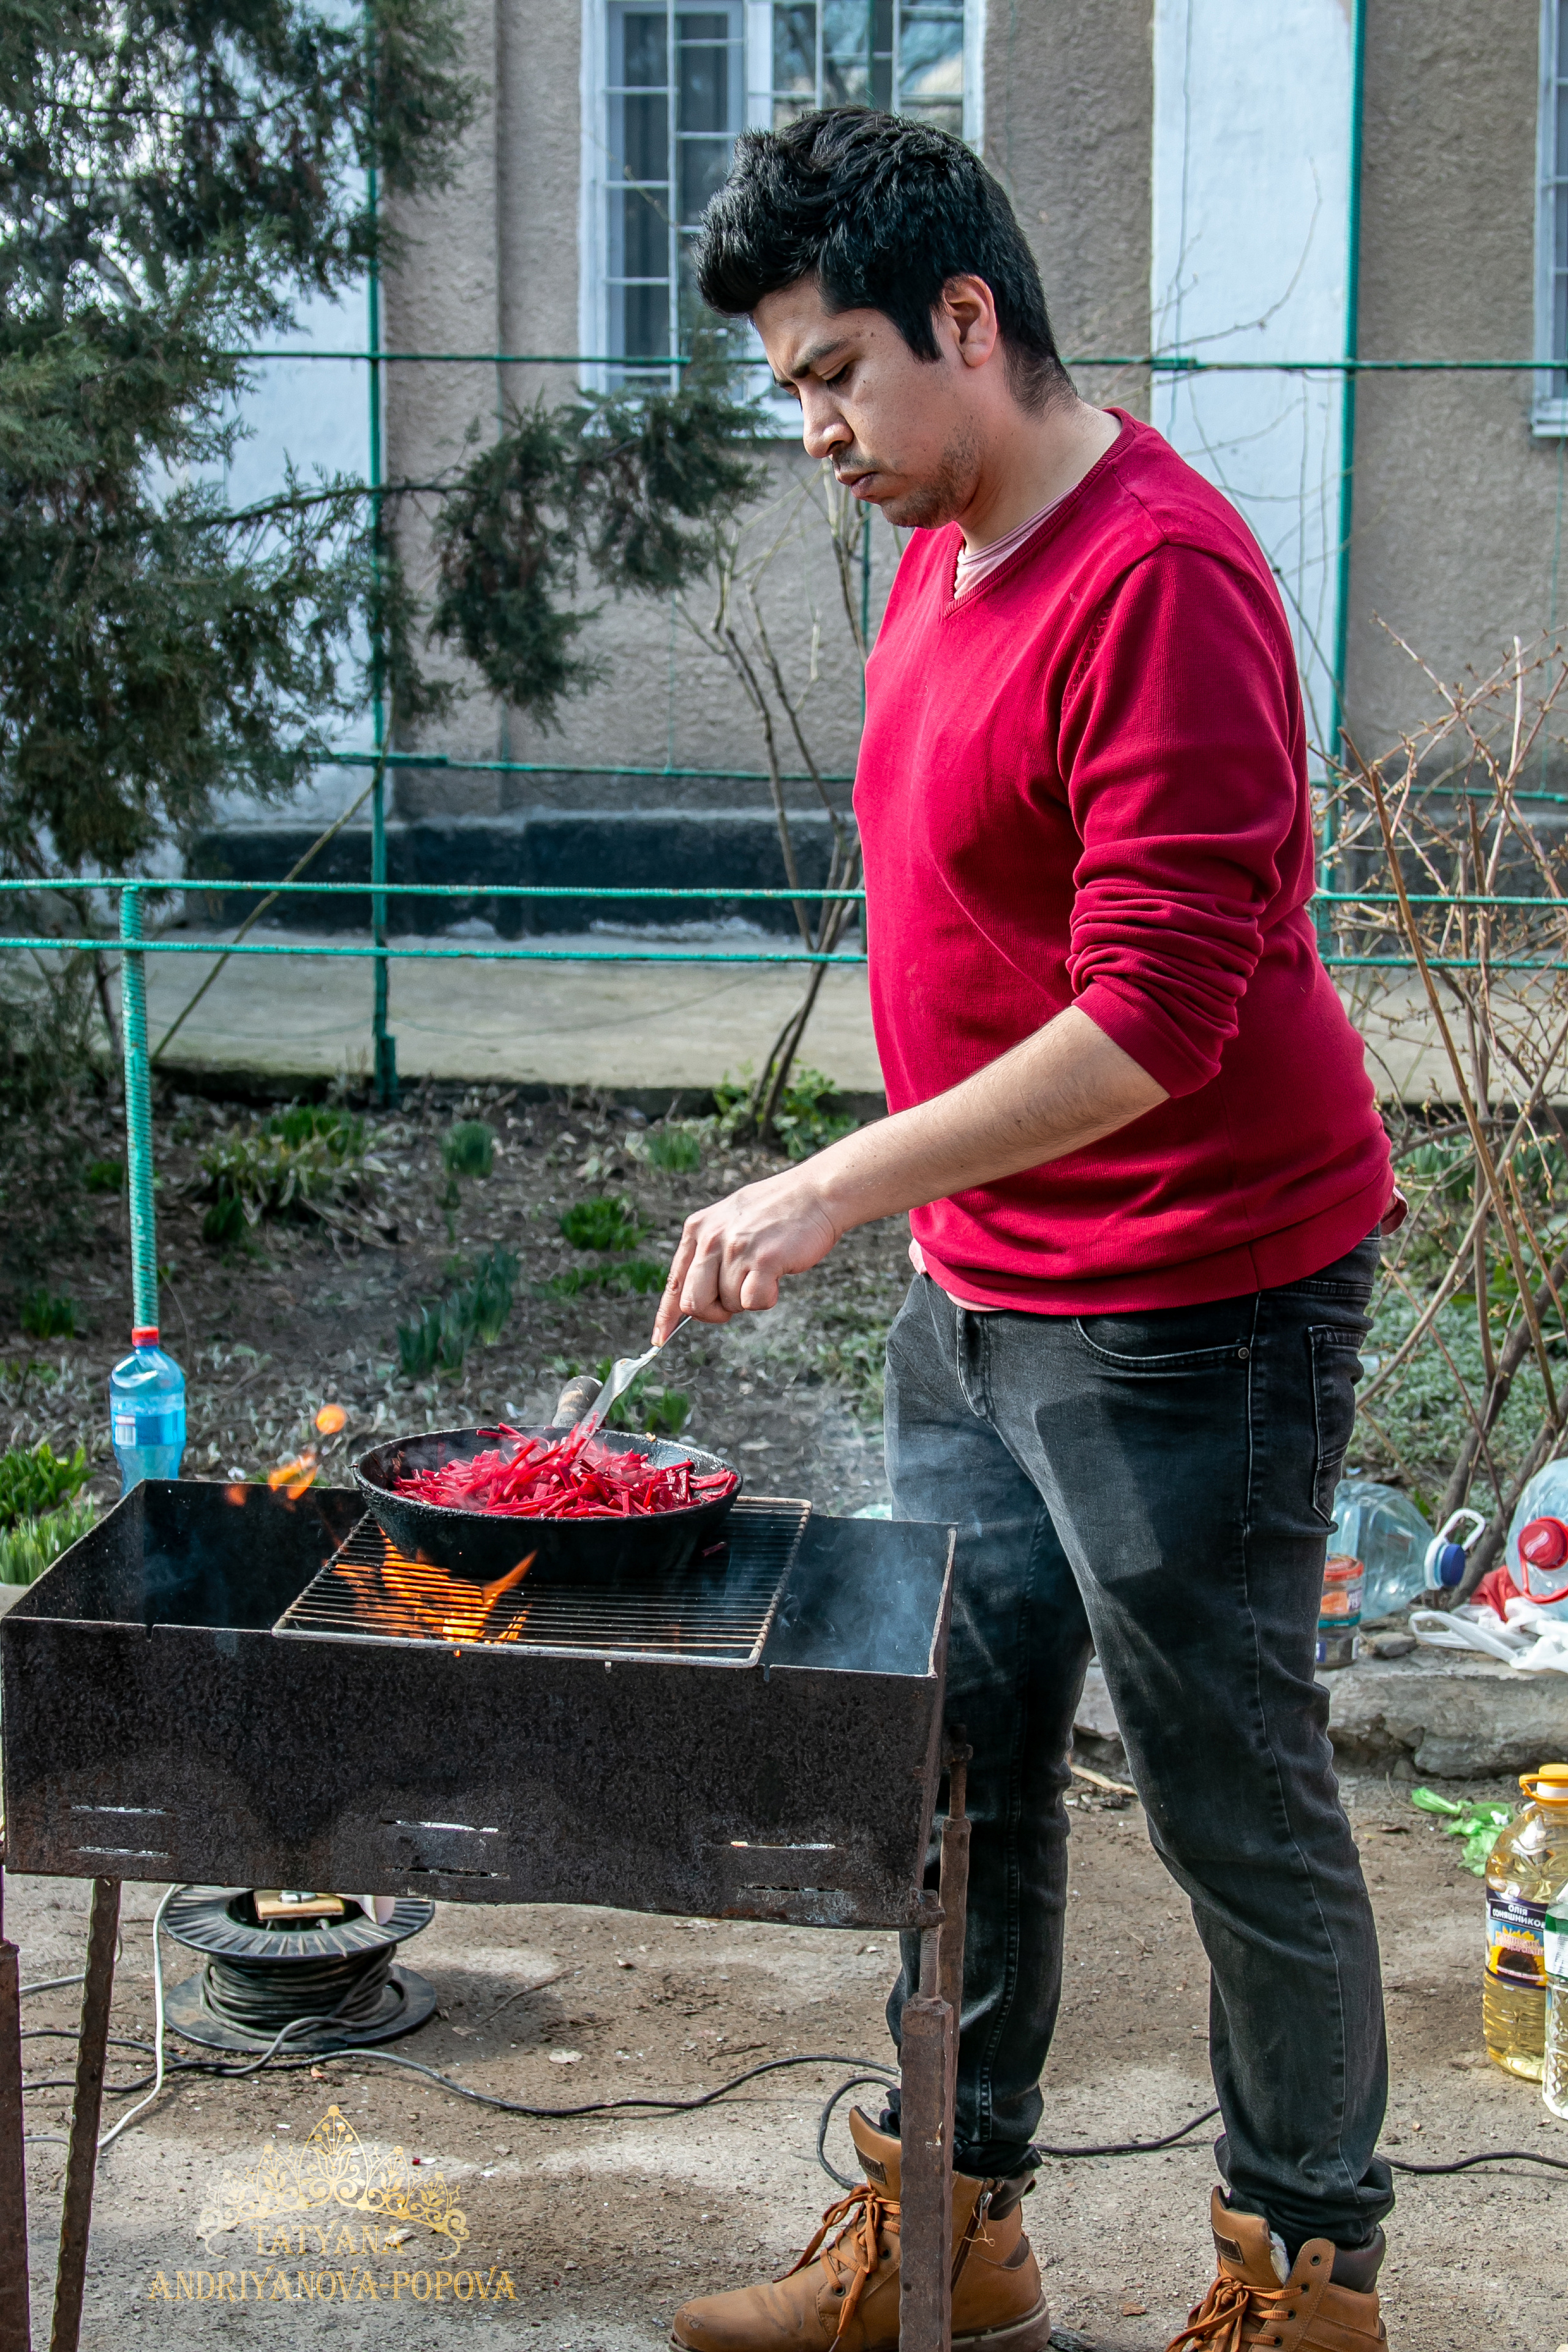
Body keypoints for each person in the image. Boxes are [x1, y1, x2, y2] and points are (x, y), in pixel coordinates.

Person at [655, 108, 1397, 2352]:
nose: (814, 433)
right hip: (986, 1289)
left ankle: (1304, 2279)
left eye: (837, 373)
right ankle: (947, 2227)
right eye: (789, 387)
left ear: (970, 322)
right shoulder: (945, 533)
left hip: (1202, 1297)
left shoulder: (1162, 581)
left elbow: (1157, 1017)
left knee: (1226, 1793)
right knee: (957, 1759)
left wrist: (821, 1179)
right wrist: (922, 1215)